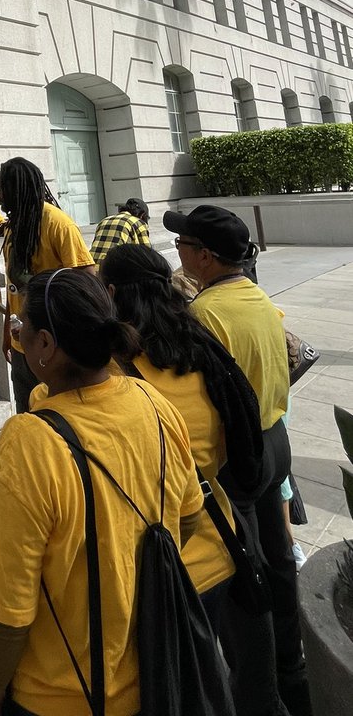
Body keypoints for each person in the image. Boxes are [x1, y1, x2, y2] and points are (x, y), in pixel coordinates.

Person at [0, 268, 204, 716]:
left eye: (22, 330)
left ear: (46, 347)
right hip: (155, 672)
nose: (16, 336)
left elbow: (4, 610)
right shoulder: (152, 402)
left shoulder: (28, 443)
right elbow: (187, 516)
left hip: (60, 696)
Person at [164, 204, 312, 716]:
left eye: (183, 243)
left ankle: (258, 695)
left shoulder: (204, 314)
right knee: (278, 563)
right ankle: (292, 671)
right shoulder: (255, 295)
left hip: (240, 459)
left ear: (204, 257)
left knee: (243, 579)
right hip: (277, 444)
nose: (177, 250)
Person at [99, 243, 236, 630]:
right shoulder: (204, 350)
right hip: (221, 541)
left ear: (111, 295)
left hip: (163, 570)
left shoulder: (113, 373)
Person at [0, 157, 94, 413]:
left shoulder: (59, 224)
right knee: (29, 418)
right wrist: (7, 330)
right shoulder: (13, 228)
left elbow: (86, 280)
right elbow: (13, 286)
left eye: (1, 187)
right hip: (22, 346)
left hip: (56, 348)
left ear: (17, 189)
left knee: (60, 418)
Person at [89, 197, 151, 265]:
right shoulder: (137, 222)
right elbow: (148, 254)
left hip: (92, 268)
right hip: (113, 269)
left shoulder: (104, 220)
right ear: (142, 215)